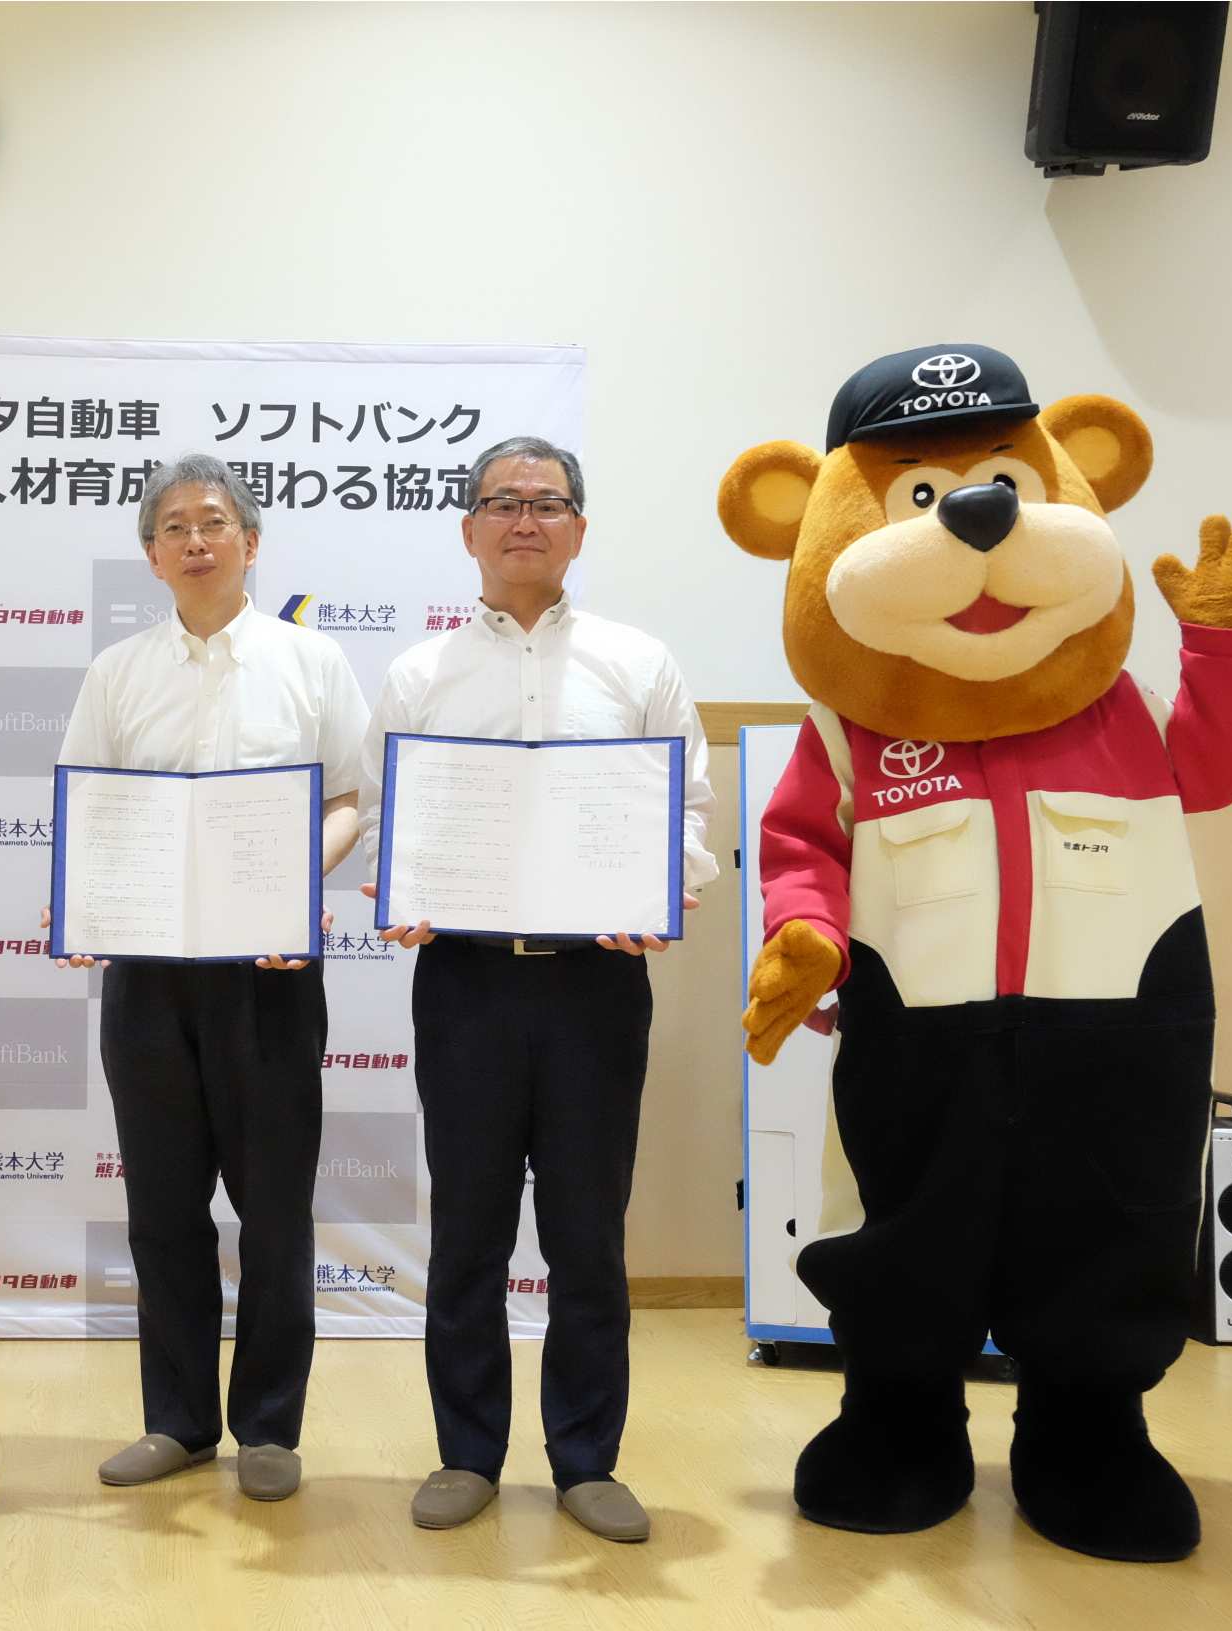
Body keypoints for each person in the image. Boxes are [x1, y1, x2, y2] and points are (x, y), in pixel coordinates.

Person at [356, 435, 717, 1538]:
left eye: (547, 502)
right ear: (467, 528)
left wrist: (661, 888)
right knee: (466, 1230)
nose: (524, 519)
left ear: (578, 528)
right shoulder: (418, 674)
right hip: (463, 982)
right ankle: (465, 1452)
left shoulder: (637, 663)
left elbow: (688, 815)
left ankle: (584, 1460)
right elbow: (386, 817)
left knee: (585, 1235)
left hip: (594, 985)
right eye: (502, 502)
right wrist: (401, 885)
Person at [50, 452, 369, 1502]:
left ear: (251, 542)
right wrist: (82, 902)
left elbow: (348, 799)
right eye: (174, 526)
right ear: (151, 555)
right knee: (162, 1207)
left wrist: (294, 882)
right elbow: (90, 806)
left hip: (267, 970)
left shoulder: (309, 660)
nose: (195, 540)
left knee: (273, 1209)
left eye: (214, 522)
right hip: (147, 972)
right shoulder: (117, 672)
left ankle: (268, 1426)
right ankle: (178, 1420)